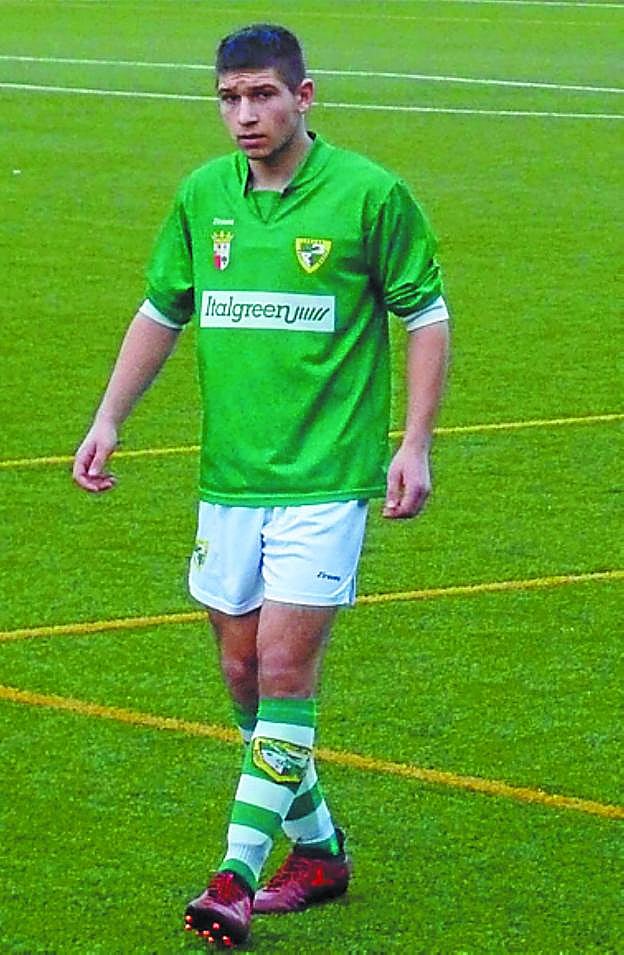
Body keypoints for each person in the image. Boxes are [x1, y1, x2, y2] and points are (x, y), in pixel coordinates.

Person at [73, 23, 450, 949]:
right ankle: (318, 852)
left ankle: (233, 876)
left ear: (303, 96)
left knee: (283, 671)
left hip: (326, 479)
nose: (244, 114)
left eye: (262, 95)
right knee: (243, 677)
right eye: (230, 98)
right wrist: (110, 416)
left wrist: (415, 442)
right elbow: (162, 310)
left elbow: (426, 315)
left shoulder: (370, 194)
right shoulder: (204, 196)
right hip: (230, 480)